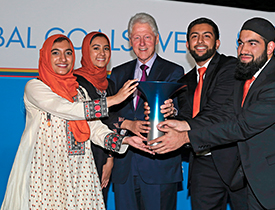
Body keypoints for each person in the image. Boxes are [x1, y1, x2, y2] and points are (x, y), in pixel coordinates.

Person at [149, 17, 275, 209]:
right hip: (254, 182)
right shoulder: (245, 77)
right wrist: (183, 124)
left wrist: (186, 137)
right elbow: (225, 112)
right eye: (241, 43)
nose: (244, 50)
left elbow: (242, 126)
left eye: (253, 43)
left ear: (270, 48)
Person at [1, 34, 153, 210]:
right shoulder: (36, 87)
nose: (63, 59)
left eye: (68, 53)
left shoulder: (79, 92)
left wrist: (125, 140)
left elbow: (94, 128)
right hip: (46, 170)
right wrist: (114, 100)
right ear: (45, 56)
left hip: (80, 171)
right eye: (55, 53)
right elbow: (66, 109)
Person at [110, 12, 184, 210]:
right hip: (124, 165)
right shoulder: (118, 73)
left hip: (159, 165)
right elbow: (105, 115)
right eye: (136, 37)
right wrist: (128, 124)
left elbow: (183, 112)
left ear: (157, 39)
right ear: (129, 40)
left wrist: (172, 111)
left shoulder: (174, 72)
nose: (142, 43)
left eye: (147, 37)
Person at [175, 17, 247, 210]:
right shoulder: (184, 81)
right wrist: (167, 117)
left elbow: (217, 111)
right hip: (202, 162)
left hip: (236, 161)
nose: (200, 41)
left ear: (217, 43)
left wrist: (179, 128)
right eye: (194, 36)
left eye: (206, 36)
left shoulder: (231, 67)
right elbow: (187, 116)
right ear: (188, 44)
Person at [74, 31, 117, 209]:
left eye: (106, 48)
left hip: (102, 156)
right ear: (86, 51)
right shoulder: (74, 81)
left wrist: (110, 159)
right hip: (79, 157)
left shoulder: (111, 85)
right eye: (96, 48)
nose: (102, 53)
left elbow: (113, 124)